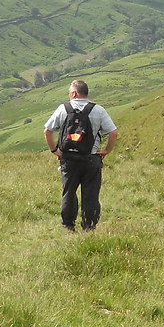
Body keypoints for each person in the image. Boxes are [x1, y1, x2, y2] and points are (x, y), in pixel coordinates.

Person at [44, 80, 118, 231]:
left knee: (69, 193)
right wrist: (106, 150)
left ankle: (68, 226)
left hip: (69, 160)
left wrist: (55, 151)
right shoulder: (98, 110)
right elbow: (113, 133)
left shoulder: (63, 109)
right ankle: (89, 227)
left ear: (74, 93)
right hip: (91, 159)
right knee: (91, 194)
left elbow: (47, 131)